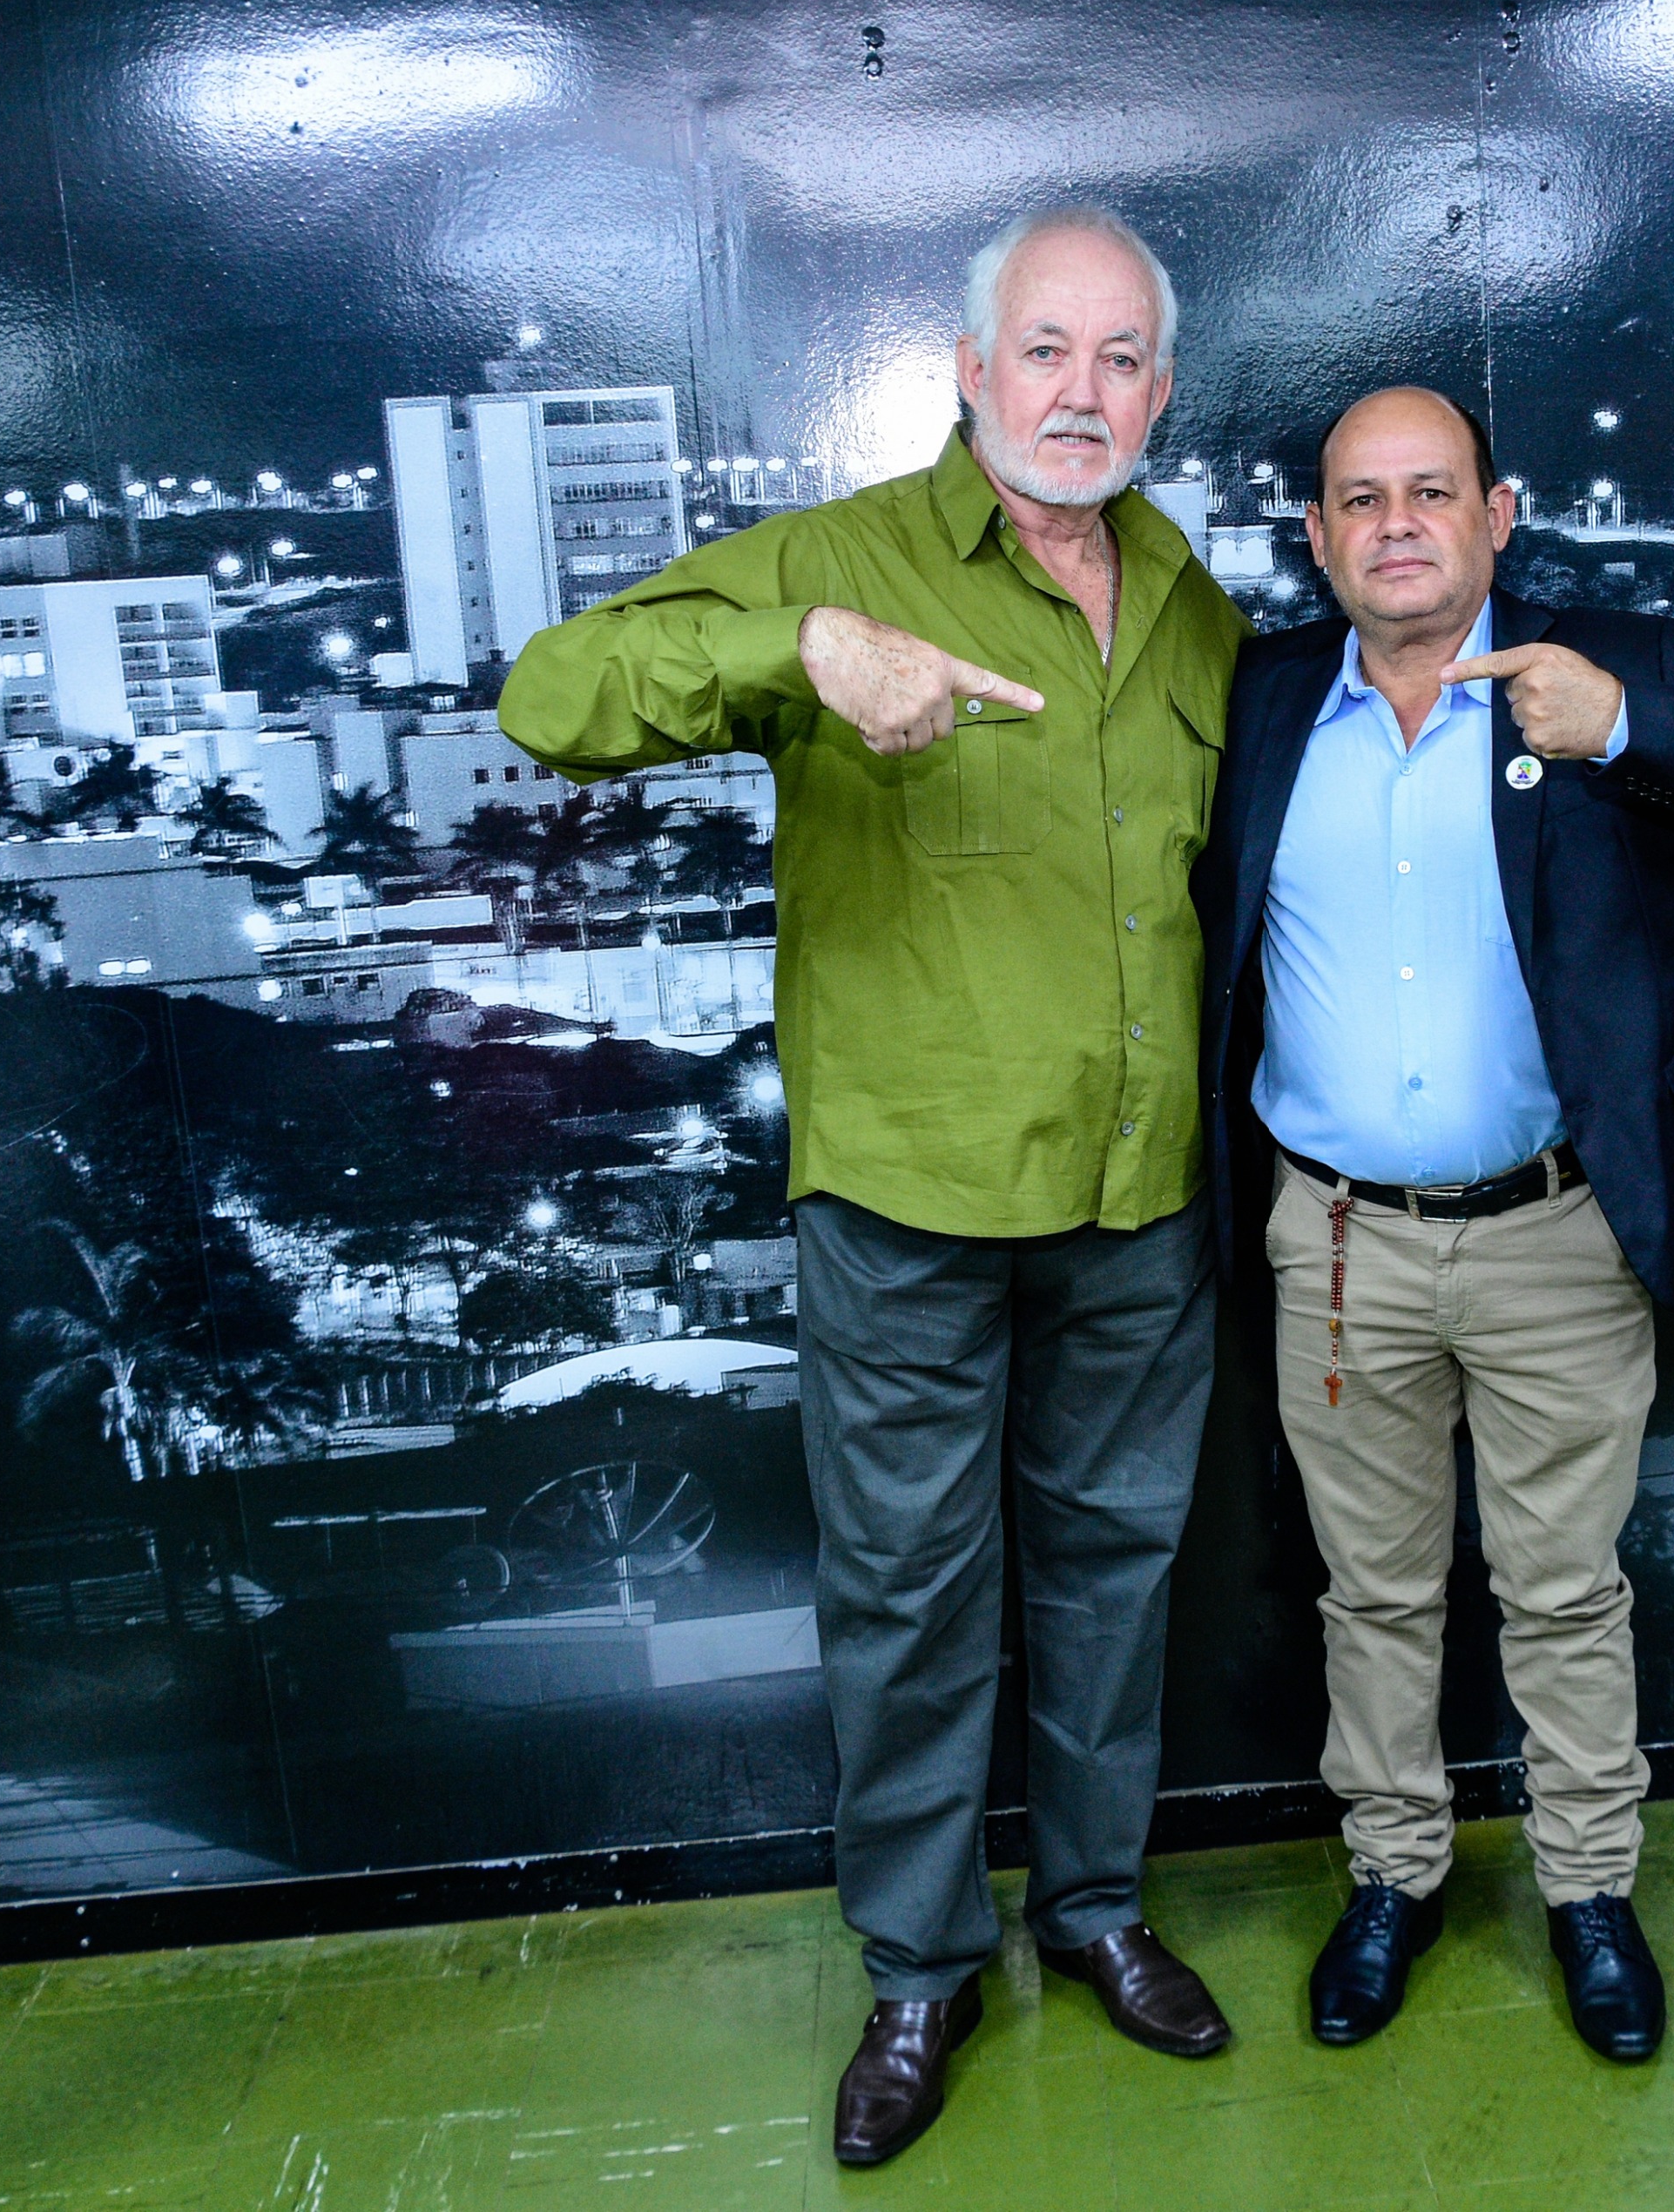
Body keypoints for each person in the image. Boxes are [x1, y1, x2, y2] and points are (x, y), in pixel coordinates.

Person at [498, 205, 1248, 2167]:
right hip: (910, 1204)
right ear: (971, 370)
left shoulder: (1189, 598)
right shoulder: (840, 560)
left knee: (1113, 1583)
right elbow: (553, 692)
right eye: (1045, 351)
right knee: (910, 1606)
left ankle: (1094, 1911)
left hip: (1137, 1196)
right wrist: (801, 648)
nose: (1079, 393)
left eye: (1119, 360)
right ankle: (920, 1968)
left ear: (1159, 393)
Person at [1194, 387, 1674, 2060]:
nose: (1398, 526)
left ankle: (1588, 1890)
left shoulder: (1604, 664)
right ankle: (1394, 1875)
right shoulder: (1266, 697)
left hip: (1557, 1234)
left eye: (1433, 492)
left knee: (1565, 1591)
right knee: (1371, 1591)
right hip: (1335, 1242)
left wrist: (1629, 729)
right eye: (1363, 500)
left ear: (1498, 516)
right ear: (1317, 538)